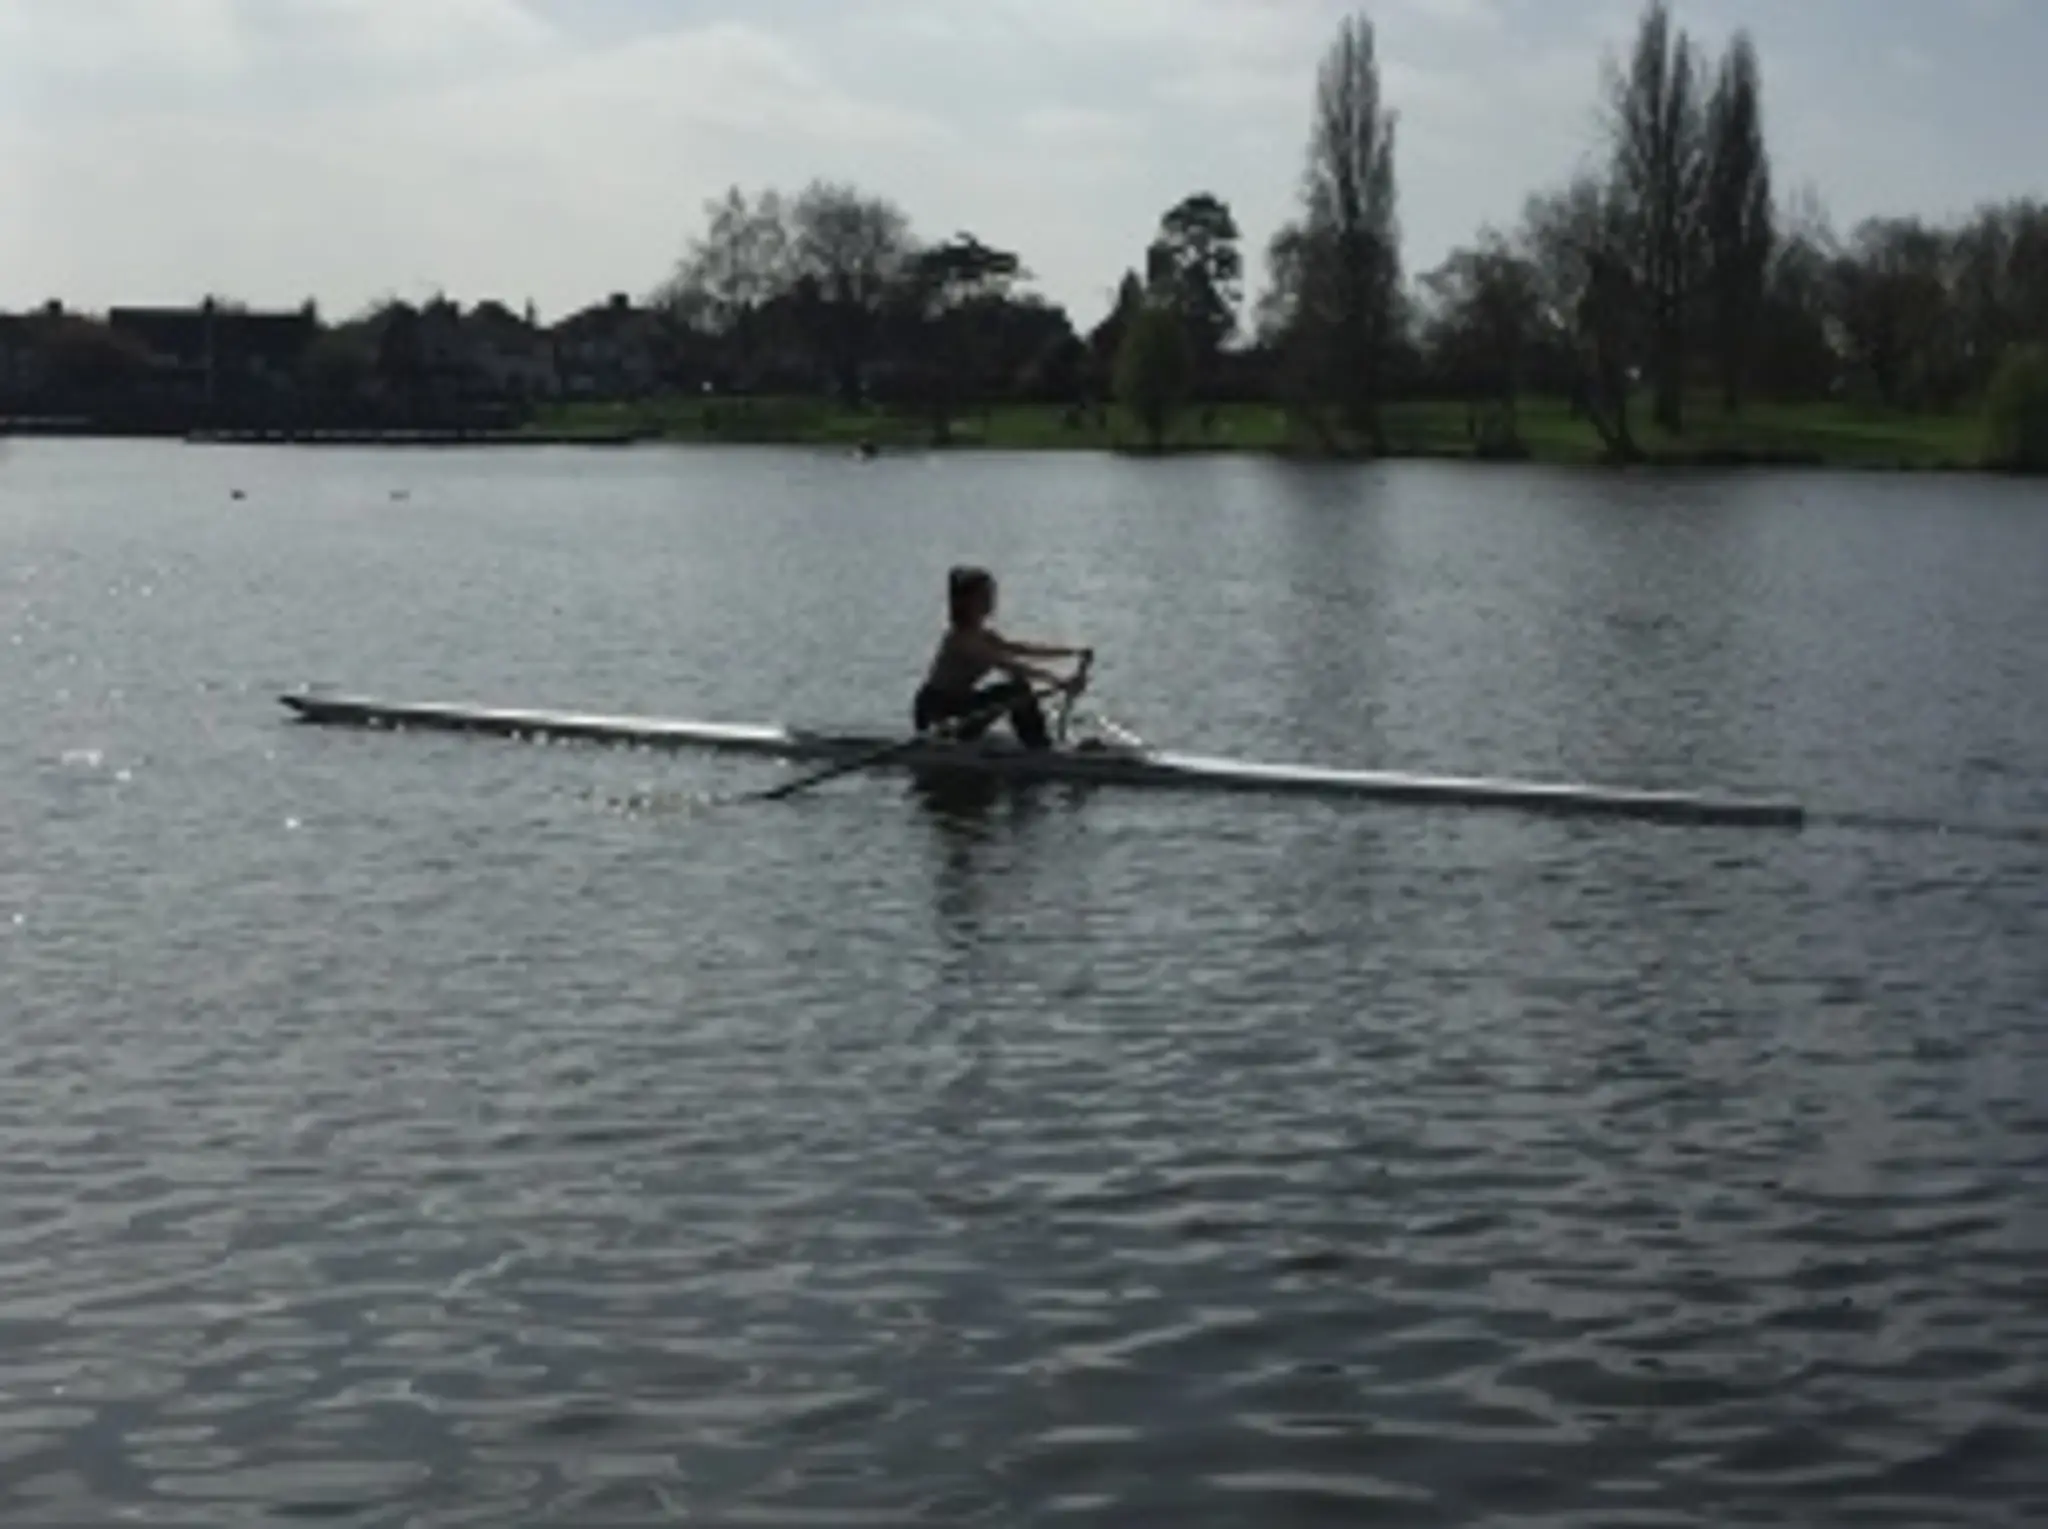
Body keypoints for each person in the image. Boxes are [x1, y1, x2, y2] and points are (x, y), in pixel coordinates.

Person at [913, 566, 1090, 750]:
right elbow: (1009, 665)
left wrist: (1072, 652)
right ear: (966, 602)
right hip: (938, 713)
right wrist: (1059, 681)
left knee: (1018, 688)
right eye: (984, 595)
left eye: (991, 594)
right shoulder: (962, 640)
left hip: (961, 706)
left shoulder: (982, 635)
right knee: (1016, 690)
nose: (991, 600)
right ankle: (1038, 747)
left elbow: (1020, 649)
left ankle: (1038, 743)